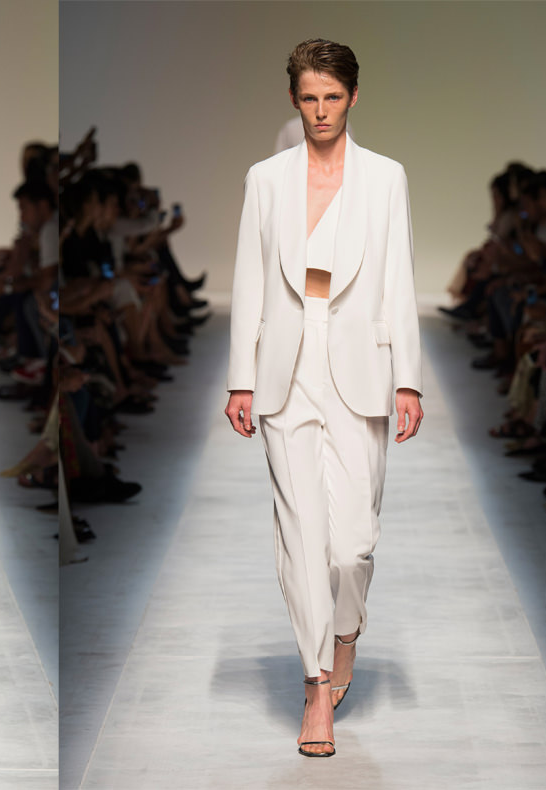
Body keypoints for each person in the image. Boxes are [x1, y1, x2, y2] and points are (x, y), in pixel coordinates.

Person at [224, 38, 423, 759]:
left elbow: (399, 276)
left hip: (361, 366)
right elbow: (249, 275)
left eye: (332, 97)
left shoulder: (386, 178)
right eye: (309, 98)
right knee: (302, 536)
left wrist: (408, 377)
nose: (320, 111)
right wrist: (240, 377)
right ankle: (314, 689)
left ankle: (346, 633)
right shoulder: (266, 178)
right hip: (287, 364)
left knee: (353, 545)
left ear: (353, 97)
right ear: (294, 100)